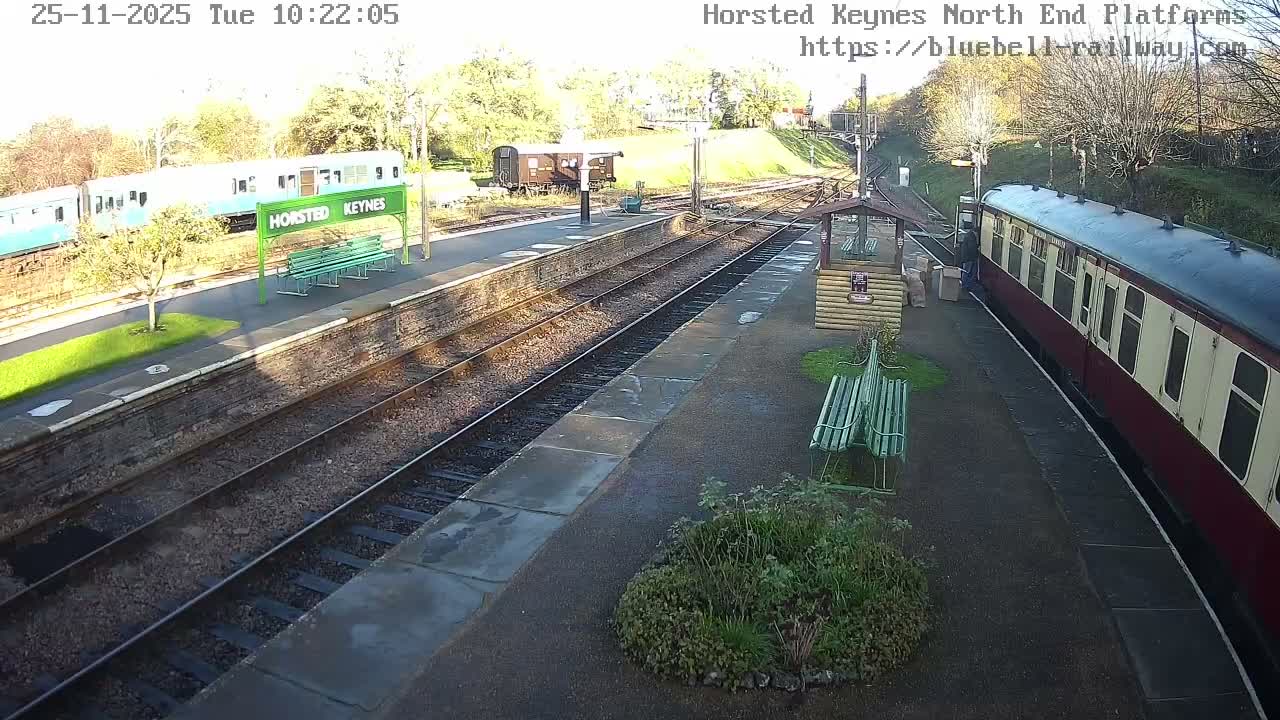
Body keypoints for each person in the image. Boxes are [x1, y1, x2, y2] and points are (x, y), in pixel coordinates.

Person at [959, 224, 980, 292]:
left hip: (967, 257)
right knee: (967, 272)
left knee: (967, 272)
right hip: (969, 258)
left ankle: (966, 285)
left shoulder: (969, 235)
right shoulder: (971, 237)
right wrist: (977, 248)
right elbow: (972, 248)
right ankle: (965, 286)